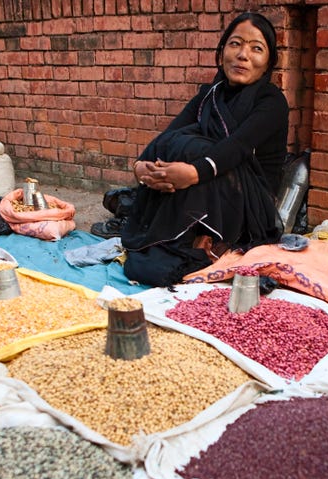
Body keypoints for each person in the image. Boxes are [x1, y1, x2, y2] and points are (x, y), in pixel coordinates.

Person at [91, 12, 289, 287]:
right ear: (222, 52)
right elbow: (169, 134)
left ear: (268, 63)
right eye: (235, 44)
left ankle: (202, 239)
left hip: (250, 202)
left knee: (193, 145)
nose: (243, 55)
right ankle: (186, 237)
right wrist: (142, 167)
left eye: (257, 48)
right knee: (179, 142)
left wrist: (193, 173)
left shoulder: (272, 102)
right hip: (206, 188)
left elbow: (237, 146)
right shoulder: (209, 95)